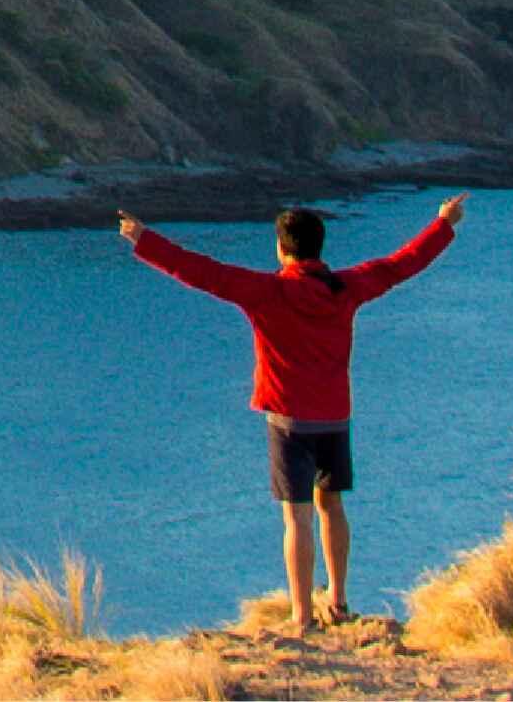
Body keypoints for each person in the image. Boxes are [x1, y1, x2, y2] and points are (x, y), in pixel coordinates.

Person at [120, 194, 462, 630]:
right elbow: (402, 264)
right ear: (320, 247)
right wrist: (443, 225)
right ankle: (338, 602)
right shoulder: (347, 288)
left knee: (296, 515)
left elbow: (202, 272)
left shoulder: (269, 293)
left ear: (282, 249)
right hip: (334, 418)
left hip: (288, 421)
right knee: (331, 505)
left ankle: (302, 616)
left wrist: (143, 239)